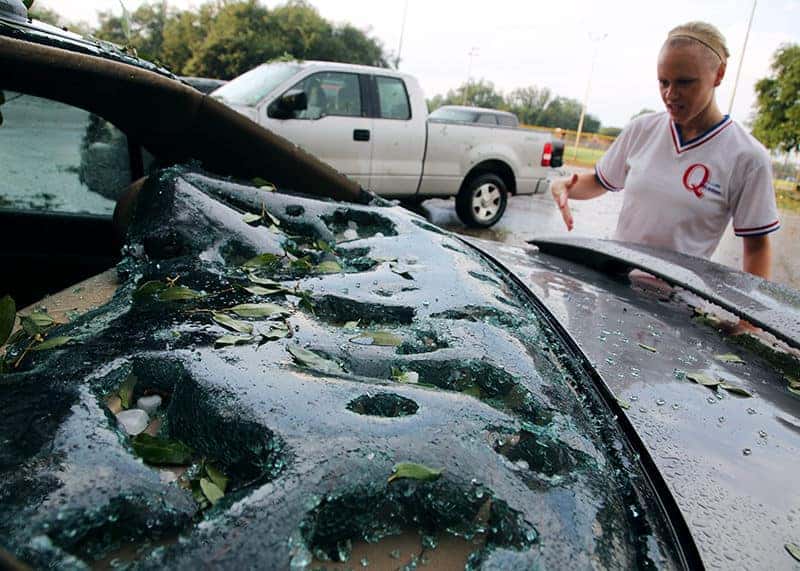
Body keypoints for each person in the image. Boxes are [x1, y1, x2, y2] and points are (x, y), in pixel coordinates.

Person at [550, 21, 780, 280]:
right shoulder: (642, 129)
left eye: (685, 82)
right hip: (614, 286)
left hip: (676, 304)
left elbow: (757, 247)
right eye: (663, 82)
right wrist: (564, 186)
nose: (670, 94)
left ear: (719, 74)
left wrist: (747, 321)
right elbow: (599, 182)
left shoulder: (748, 157)